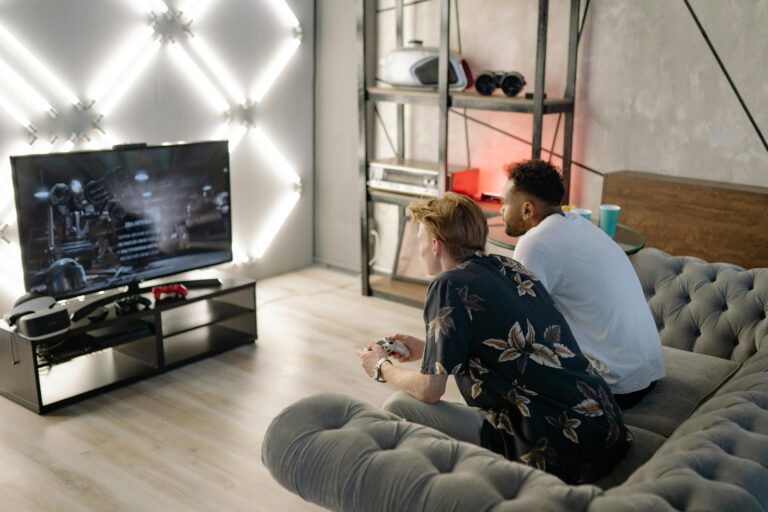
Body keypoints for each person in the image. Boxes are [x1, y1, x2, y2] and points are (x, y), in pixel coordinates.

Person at [358, 192, 630, 484]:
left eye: (420, 241)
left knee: (398, 406)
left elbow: (429, 390)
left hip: (554, 444)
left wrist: (381, 367)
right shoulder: (509, 267)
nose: (420, 249)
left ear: (436, 245)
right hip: (604, 427)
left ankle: (436, 489)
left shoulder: (447, 285)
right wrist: (429, 349)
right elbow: (502, 350)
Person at [501, 159, 665, 409]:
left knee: (494, 353)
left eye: (504, 202)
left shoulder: (535, 242)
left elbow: (518, 322)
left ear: (527, 209)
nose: (501, 209)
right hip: (647, 373)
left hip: (614, 385)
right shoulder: (582, 225)